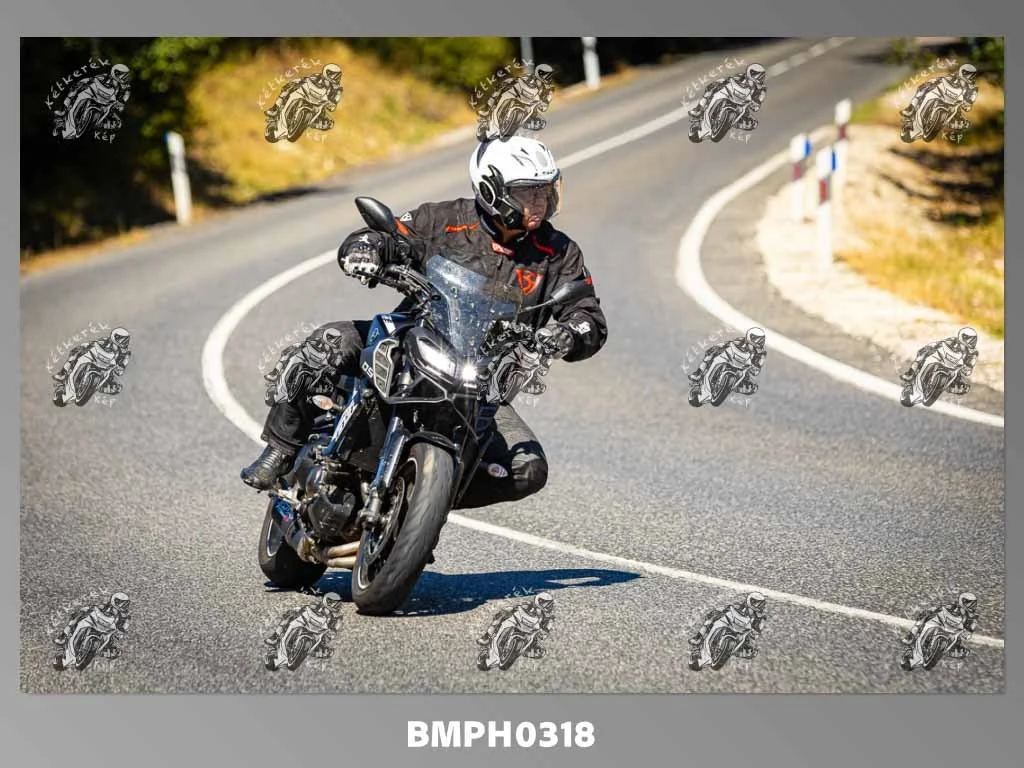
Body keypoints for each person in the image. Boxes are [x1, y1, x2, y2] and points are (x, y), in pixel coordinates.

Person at [241, 135, 608, 511]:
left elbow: (587, 315)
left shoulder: (559, 252)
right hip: (412, 339)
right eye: (527, 191)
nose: (540, 200)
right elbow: (388, 237)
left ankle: (419, 501)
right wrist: (366, 249)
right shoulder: (443, 220)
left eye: (545, 190)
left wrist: (569, 333)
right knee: (329, 343)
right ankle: (281, 451)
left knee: (527, 469)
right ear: (492, 190)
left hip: (482, 383)